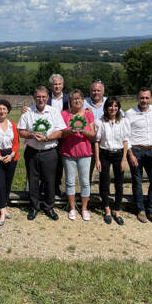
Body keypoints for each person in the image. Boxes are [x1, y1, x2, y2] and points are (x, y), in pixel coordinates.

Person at [18, 86, 65, 221]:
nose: (41, 99)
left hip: (49, 151)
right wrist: (31, 134)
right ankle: (34, 207)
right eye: (38, 96)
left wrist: (47, 138)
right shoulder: (27, 112)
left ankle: (49, 207)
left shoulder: (54, 112)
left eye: (43, 97)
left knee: (50, 181)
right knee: (32, 180)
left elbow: (60, 132)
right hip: (32, 151)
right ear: (34, 97)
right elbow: (21, 132)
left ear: (47, 98)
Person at [125, 88, 152, 226]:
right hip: (136, 150)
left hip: (151, 151)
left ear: (151, 99)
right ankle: (140, 210)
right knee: (137, 182)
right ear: (137, 98)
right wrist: (130, 154)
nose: (144, 101)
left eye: (147, 98)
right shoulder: (129, 114)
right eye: (142, 98)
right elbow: (125, 135)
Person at [59, 89, 96, 221]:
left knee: (85, 182)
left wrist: (83, 132)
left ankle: (85, 208)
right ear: (70, 101)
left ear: (83, 100)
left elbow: (93, 134)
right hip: (68, 153)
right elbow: (61, 134)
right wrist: (70, 132)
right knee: (69, 182)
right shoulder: (64, 114)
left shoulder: (88, 114)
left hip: (85, 153)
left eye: (79, 98)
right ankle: (72, 208)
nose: (77, 101)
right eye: (74, 99)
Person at [94, 97, 130, 226]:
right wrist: (97, 159)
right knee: (105, 182)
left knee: (119, 184)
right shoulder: (100, 122)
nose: (113, 108)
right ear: (106, 108)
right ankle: (107, 209)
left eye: (115, 106)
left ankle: (117, 210)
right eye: (110, 106)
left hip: (119, 153)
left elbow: (126, 141)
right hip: (104, 153)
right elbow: (97, 141)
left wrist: (124, 159)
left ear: (118, 108)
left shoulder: (124, 121)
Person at [47, 74, 68, 197]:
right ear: (51, 86)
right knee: (49, 162)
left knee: (60, 162)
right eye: (55, 84)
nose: (57, 86)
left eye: (59, 84)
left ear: (63, 85)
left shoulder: (68, 99)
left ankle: (56, 187)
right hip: (49, 134)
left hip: (64, 135)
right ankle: (46, 186)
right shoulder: (46, 98)